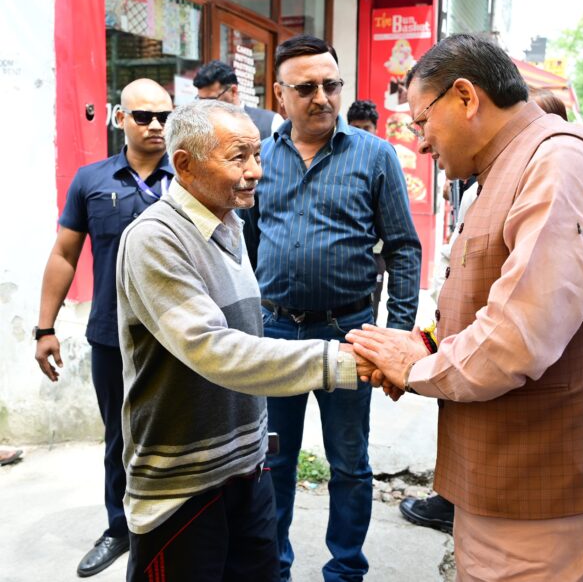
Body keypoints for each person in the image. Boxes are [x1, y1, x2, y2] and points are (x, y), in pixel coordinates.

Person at [348, 33, 583, 581]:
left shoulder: (559, 163)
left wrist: (415, 369)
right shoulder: (501, 168)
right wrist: (425, 344)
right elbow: (483, 297)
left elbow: (518, 337)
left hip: (561, 493)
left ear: (466, 97)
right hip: (507, 482)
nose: (422, 143)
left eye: (421, 122)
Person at [117, 100, 370, 582]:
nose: (256, 170)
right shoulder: (154, 237)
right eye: (238, 157)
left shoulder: (230, 225)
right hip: (184, 483)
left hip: (248, 468)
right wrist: (340, 360)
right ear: (185, 165)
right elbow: (213, 348)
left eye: (256, 155)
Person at [239, 34, 421, 582]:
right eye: (306, 88)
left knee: (349, 461)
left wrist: (398, 335)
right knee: (273, 461)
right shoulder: (260, 157)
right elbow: (246, 243)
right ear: (279, 93)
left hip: (350, 333)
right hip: (275, 332)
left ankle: (345, 571)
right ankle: (274, 570)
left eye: (331, 84)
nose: (321, 97)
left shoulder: (375, 155)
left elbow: (403, 247)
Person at [34, 79, 173, 577]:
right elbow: (64, 254)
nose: (156, 125)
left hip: (181, 337)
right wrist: (44, 329)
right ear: (120, 118)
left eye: (164, 116)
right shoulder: (91, 180)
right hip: (113, 336)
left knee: (180, 435)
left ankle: (175, 528)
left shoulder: (189, 176)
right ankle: (120, 528)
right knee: (119, 437)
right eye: (144, 116)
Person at [346, 99, 386, 321]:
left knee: (372, 307)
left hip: (375, 252)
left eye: (366, 128)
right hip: (347, 256)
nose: (361, 133)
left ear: (376, 129)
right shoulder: (341, 160)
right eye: (356, 127)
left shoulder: (383, 159)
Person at [193, 59, 283, 139]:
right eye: (200, 100)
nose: (204, 106)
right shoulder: (198, 127)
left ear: (233, 91)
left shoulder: (271, 122)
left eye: (211, 100)